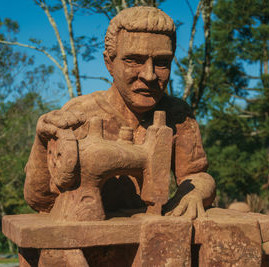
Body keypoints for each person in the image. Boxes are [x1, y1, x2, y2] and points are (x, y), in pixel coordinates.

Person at [24, 6, 215, 220]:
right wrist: (42, 145)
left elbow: (196, 175)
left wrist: (192, 194)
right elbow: (40, 200)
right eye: (134, 60)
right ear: (109, 63)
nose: (150, 75)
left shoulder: (178, 115)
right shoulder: (78, 115)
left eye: (162, 63)